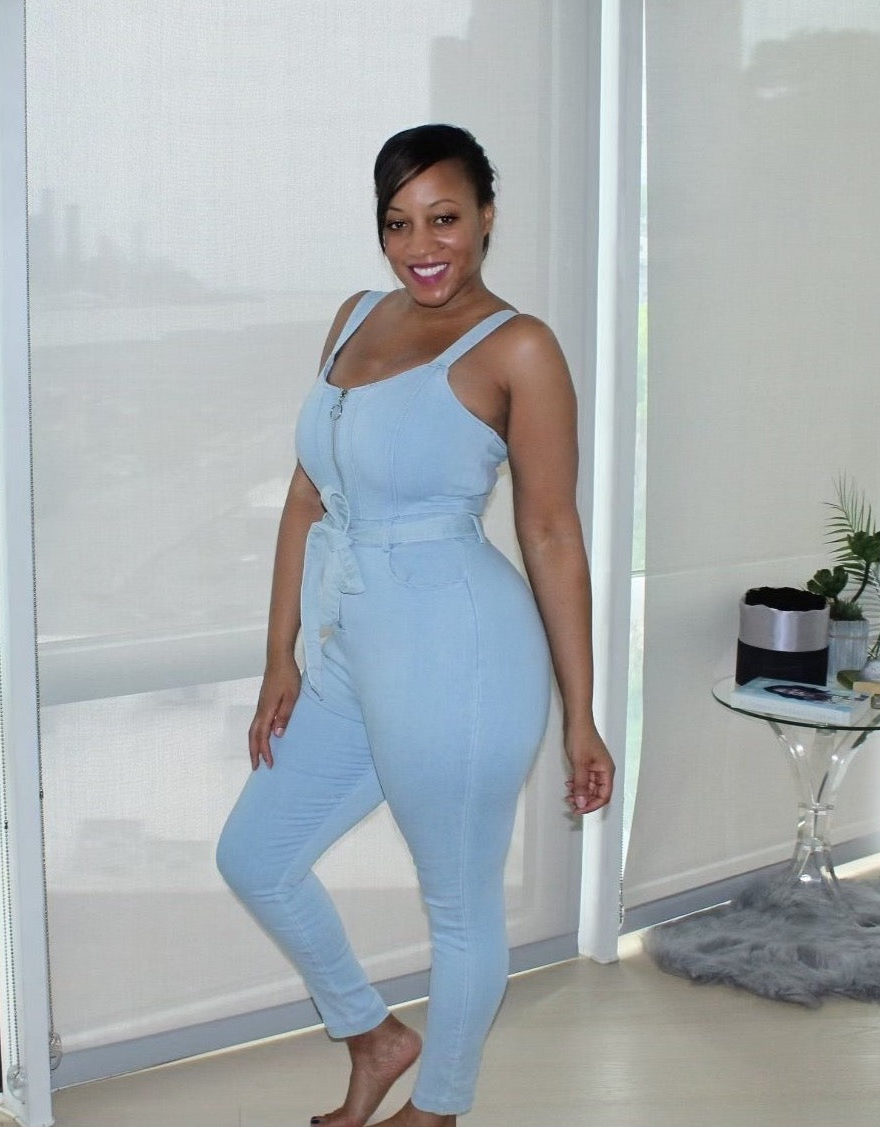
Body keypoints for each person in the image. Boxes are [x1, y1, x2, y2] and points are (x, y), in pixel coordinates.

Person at [216, 124, 615, 1127]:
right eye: (398, 223)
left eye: (444, 219)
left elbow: (551, 532)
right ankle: (372, 1033)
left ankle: (434, 1111)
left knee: (459, 904)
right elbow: (307, 495)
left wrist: (582, 713)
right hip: (349, 649)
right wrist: (280, 656)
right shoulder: (356, 317)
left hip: (460, 655)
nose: (420, 245)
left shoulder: (518, 346)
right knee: (255, 855)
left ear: (487, 217)